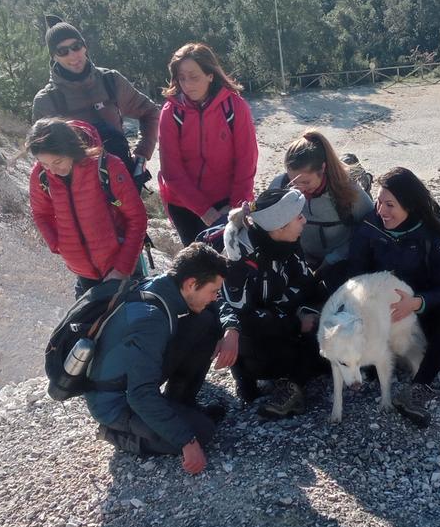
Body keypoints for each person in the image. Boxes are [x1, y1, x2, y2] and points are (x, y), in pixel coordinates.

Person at [347, 167, 440, 427]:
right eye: (378, 202)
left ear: (409, 204)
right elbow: (354, 275)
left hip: (420, 307)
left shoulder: (436, 232)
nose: (381, 210)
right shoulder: (369, 228)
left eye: (390, 204)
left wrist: (415, 303)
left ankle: (419, 388)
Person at [86, 243, 233, 475]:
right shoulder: (150, 320)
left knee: (205, 322)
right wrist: (187, 441)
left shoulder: (165, 286)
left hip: (132, 379)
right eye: (213, 291)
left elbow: (216, 308)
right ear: (191, 284)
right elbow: (140, 394)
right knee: (203, 432)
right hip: (115, 401)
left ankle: (180, 403)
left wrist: (231, 329)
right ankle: (115, 434)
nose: (215, 297)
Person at [214, 187, 327, 418]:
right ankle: (288, 387)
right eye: (298, 217)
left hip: (280, 320)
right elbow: (244, 318)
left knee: (328, 316)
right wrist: (296, 323)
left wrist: (294, 308)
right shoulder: (241, 260)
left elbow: (306, 281)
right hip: (256, 344)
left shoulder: (286, 242)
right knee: (313, 343)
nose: (304, 220)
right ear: (279, 226)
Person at [27, 117, 148, 300]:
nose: (52, 170)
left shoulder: (107, 166)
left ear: (71, 149)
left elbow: (137, 218)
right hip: (83, 271)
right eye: (44, 163)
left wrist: (122, 268)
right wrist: (58, 245)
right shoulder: (40, 174)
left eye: (58, 162)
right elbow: (41, 214)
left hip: (122, 265)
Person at [156, 42, 258, 246]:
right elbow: (172, 172)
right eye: (181, 78)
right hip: (185, 206)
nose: (187, 84)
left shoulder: (235, 107)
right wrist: (205, 211)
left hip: (227, 202)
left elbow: (247, 162)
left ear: (210, 75)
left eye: (194, 77)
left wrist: (234, 206)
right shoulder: (171, 113)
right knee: (201, 273)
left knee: (232, 264)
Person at [31, 16, 159, 169]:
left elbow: (150, 112)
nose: (72, 55)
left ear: (84, 46)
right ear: (54, 57)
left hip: (123, 177)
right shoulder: (47, 100)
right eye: (63, 51)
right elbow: (43, 154)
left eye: (76, 46)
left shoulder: (110, 80)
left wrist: (142, 154)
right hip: (81, 187)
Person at [265, 130, 373, 291]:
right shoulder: (280, 186)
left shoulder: (348, 192)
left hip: (337, 261)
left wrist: (330, 261)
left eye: (306, 182)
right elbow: (265, 224)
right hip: (299, 258)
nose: (299, 189)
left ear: (322, 169)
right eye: (293, 182)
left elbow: (369, 231)